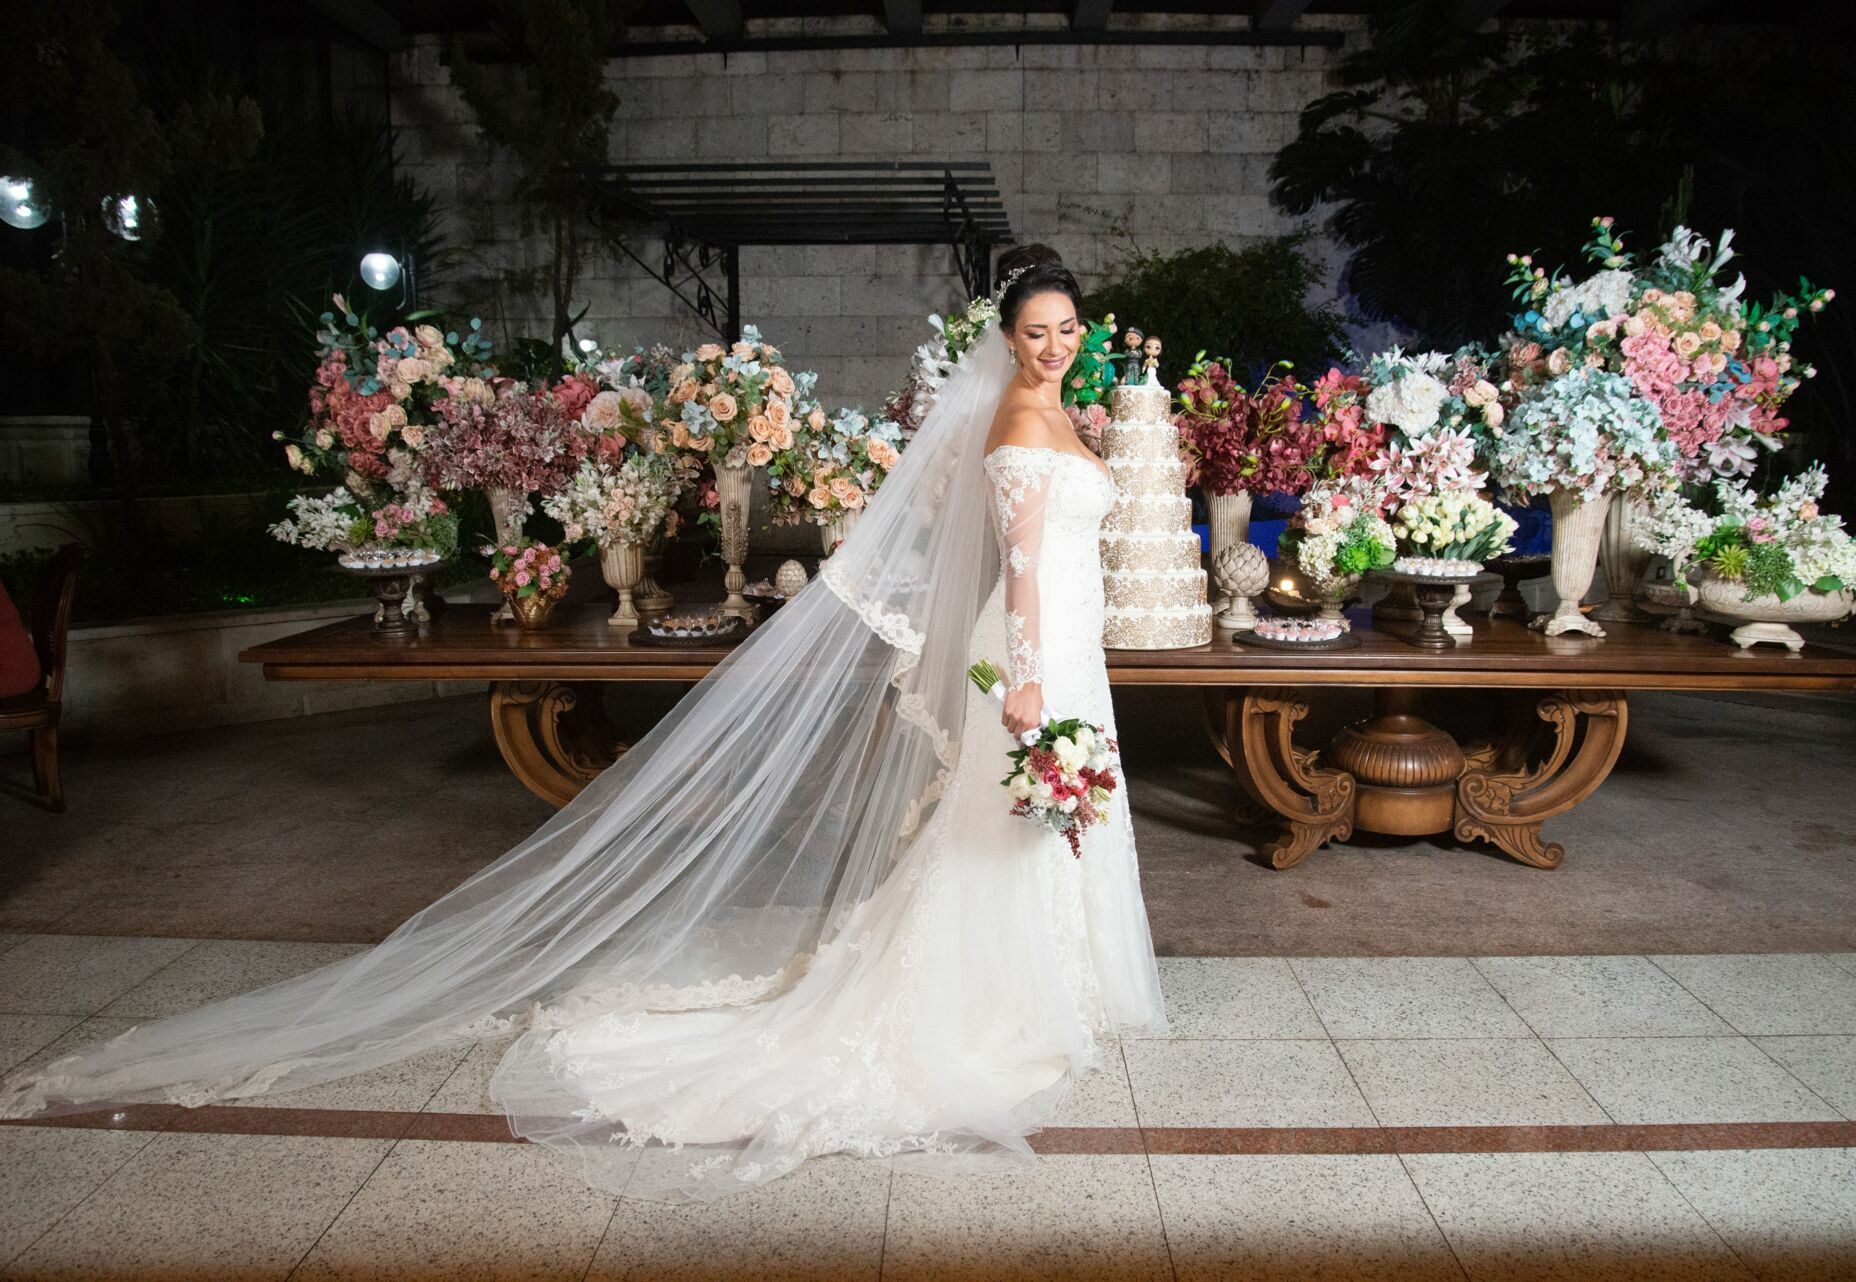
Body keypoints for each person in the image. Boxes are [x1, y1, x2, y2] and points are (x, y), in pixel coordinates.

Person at [0, 244, 1169, 1203]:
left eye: (1068, 327)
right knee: (1004, 821)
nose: (1055, 344)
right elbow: (1017, 566)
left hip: (1065, 642)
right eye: (1037, 330)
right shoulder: (1019, 425)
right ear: (1006, 337)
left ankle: (1060, 979)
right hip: (1029, 652)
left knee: (1042, 821)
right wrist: (1023, 682)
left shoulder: (1063, 415)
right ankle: (1000, 992)